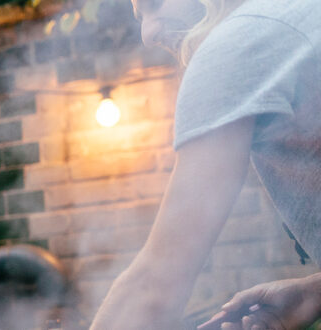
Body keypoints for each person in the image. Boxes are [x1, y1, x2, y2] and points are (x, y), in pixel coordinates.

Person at [90, 0, 321, 328]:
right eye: (141, 17)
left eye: (154, 5)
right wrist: (312, 292)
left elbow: (156, 284)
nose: (147, 33)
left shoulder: (234, 44)